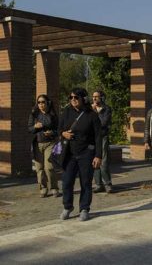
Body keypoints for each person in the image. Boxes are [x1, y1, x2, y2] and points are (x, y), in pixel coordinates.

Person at [59, 88, 102, 221]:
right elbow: (58, 128)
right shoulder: (66, 112)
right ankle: (68, 206)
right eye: (71, 97)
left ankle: (84, 209)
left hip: (86, 153)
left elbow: (98, 136)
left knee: (86, 182)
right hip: (69, 154)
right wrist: (63, 133)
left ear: (83, 99)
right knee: (66, 182)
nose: (73, 100)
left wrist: (98, 155)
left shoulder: (92, 115)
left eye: (76, 97)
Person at [28, 94, 59, 198]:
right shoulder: (34, 114)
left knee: (49, 167)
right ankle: (43, 188)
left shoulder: (53, 115)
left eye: (43, 102)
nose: (41, 104)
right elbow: (30, 129)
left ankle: (54, 188)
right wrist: (35, 127)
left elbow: (58, 130)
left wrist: (52, 133)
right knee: (39, 168)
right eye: (39, 102)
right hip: (37, 143)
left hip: (49, 143)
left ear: (47, 103)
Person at [92, 90, 113, 194]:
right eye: (93, 97)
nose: (94, 99)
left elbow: (103, 123)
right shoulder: (90, 109)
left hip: (102, 137)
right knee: (95, 161)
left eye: (97, 96)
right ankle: (98, 184)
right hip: (92, 138)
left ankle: (108, 184)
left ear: (102, 98)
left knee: (103, 161)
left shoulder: (106, 109)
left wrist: (95, 112)